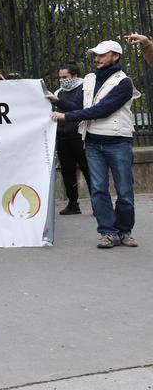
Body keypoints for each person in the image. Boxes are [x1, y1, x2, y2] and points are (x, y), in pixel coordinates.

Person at [51, 40, 140, 249]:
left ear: (115, 56)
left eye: (102, 54)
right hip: (92, 142)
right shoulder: (89, 79)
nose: (97, 58)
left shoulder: (124, 82)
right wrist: (57, 101)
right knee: (99, 189)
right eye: (96, 55)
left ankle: (124, 231)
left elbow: (101, 110)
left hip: (119, 142)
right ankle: (108, 232)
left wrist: (65, 116)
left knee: (124, 190)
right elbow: (78, 105)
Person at [46, 62, 91, 216]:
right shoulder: (59, 91)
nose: (62, 80)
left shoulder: (85, 88)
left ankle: (97, 204)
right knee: (67, 171)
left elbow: (79, 109)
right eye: (60, 77)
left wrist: (58, 102)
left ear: (75, 75)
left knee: (88, 170)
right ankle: (73, 203)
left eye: (65, 77)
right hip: (63, 136)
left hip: (79, 136)